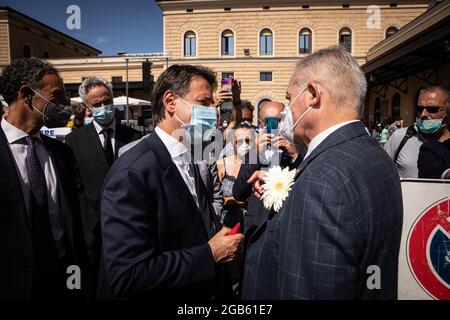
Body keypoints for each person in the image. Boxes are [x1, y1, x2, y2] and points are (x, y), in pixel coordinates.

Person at [242, 46, 403, 299]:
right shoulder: (376, 155)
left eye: (289, 98)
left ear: (313, 94)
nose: (286, 111)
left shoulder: (322, 181)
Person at [97, 64, 244, 299]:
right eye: (204, 102)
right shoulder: (132, 173)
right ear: (170, 102)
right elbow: (128, 275)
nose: (213, 113)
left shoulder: (193, 153)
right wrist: (210, 254)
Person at [0, 58, 89, 299]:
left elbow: (74, 221)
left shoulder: (61, 153)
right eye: (57, 95)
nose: (65, 104)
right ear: (27, 95)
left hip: (64, 279)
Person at [64, 76, 141, 288]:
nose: (104, 107)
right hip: (92, 232)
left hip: (129, 227)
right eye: (97, 104)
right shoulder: (75, 140)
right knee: (91, 285)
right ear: (88, 107)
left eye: (107, 101)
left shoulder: (134, 136)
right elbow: (75, 188)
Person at [233, 101, 304, 235]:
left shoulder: (299, 148)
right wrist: (255, 153)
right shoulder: (253, 151)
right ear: (260, 123)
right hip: (257, 226)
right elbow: (238, 193)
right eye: (269, 121)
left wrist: (295, 155)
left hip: (289, 225)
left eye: (279, 120)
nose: (275, 126)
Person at [384, 86, 450, 178]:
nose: (423, 114)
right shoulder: (400, 137)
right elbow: (381, 172)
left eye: (432, 109)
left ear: (447, 110)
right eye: (420, 109)